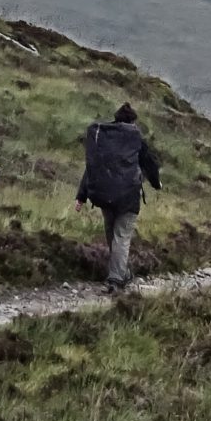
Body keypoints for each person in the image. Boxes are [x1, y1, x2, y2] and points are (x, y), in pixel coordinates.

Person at [74, 103, 162, 293]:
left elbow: (91, 168)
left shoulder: (103, 141)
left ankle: (122, 273)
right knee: (121, 236)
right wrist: (156, 184)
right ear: (132, 121)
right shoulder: (135, 138)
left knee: (112, 235)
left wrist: (81, 196)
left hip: (104, 195)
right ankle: (116, 279)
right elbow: (150, 164)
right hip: (128, 198)